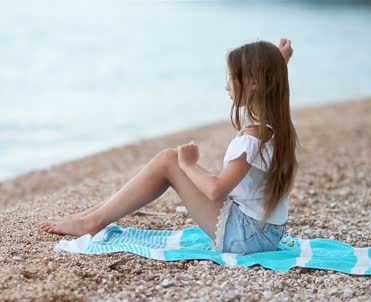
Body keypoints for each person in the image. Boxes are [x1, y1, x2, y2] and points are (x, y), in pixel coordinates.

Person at [40, 38, 299, 255]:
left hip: (246, 237)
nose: (226, 85)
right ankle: (90, 217)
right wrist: (278, 63)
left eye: (232, 78)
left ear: (254, 84)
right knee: (169, 159)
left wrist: (188, 164)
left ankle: (92, 221)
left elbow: (216, 191)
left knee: (168, 160)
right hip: (267, 233)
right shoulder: (276, 123)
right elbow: (270, 86)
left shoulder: (253, 137)